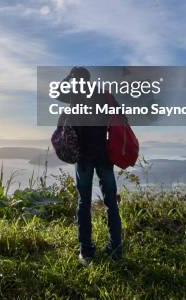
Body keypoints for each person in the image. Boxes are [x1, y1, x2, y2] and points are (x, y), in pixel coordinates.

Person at [58, 67, 123, 266]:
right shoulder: (104, 95)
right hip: (104, 155)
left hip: (83, 157)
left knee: (84, 203)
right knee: (111, 202)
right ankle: (116, 250)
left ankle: (85, 252)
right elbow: (121, 116)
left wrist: (67, 77)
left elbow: (56, 92)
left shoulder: (73, 95)